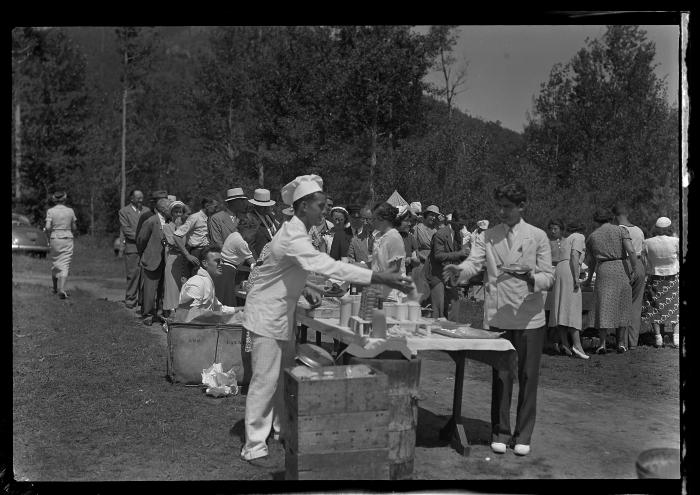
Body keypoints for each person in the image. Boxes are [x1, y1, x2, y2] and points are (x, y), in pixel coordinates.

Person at [240, 174, 414, 465]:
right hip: (267, 316)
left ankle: (283, 430)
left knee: (283, 378)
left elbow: (290, 271)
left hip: (282, 315)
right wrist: (378, 276)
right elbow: (324, 264)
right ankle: (254, 446)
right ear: (304, 206)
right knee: (265, 380)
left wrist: (308, 287)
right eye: (321, 205)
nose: (325, 211)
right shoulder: (292, 236)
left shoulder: (297, 233)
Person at [443, 182, 555, 457]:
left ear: (521, 206)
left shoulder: (538, 236)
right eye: (500, 206)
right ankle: (500, 431)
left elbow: (548, 277)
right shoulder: (488, 235)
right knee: (502, 375)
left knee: (529, 377)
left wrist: (531, 278)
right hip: (499, 315)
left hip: (529, 317)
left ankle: (523, 433)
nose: (502, 212)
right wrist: (460, 271)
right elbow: (474, 262)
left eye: (508, 207)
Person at [583, 207, 639, 354]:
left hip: (604, 270)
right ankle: (620, 343)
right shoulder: (621, 231)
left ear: (596, 220)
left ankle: (602, 344)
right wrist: (634, 269)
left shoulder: (592, 236)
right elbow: (631, 251)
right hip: (621, 267)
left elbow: (591, 262)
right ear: (611, 218)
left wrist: (589, 279)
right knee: (622, 305)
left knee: (604, 305)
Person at [549, 220, 589, 359]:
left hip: (560, 270)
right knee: (572, 307)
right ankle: (577, 345)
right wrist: (577, 278)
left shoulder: (567, 239)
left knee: (562, 306)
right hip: (568, 271)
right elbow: (574, 256)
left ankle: (565, 343)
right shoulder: (579, 237)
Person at [641, 217, 679, 349]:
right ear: (669, 228)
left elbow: (643, 260)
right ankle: (676, 338)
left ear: (656, 228)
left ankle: (658, 338)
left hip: (655, 277)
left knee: (655, 306)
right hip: (672, 278)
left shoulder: (647, 242)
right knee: (675, 307)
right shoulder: (676, 241)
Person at [612, 203, 646, 349]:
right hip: (639, 264)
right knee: (635, 305)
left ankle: (622, 342)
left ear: (615, 216)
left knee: (621, 305)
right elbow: (643, 253)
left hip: (624, 265)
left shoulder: (617, 230)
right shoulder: (639, 230)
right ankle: (633, 342)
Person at [425, 209, 469, 318]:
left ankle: (451, 330)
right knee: (438, 307)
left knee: (454, 304)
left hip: (450, 274)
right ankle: (435, 332)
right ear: (453, 220)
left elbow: (457, 255)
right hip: (437, 274)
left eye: (463, 225)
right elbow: (438, 256)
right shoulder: (440, 234)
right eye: (460, 224)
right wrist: (459, 253)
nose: (462, 227)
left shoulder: (458, 234)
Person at [136, 198, 171, 326]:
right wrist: (145, 254)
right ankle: (148, 314)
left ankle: (161, 313)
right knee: (150, 289)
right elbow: (141, 240)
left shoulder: (171, 222)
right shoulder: (151, 221)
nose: (171, 210)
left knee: (164, 288)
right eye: (169, 208)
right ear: (162, 210)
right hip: (152, 260)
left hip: (166, 261)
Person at [178, 246, 239, 312]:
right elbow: (190, 315)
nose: (221, 264)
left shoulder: (207, 281)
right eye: (217, 261)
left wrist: (243, 309)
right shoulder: (197, 283)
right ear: (205, 263)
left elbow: (219, 308)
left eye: (222, 261)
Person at [118, 189, 151, 309]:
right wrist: (142, 237)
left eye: (142, 197)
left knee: (146, 275)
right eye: (138, 197)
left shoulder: (147, 210)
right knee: (132, 274)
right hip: (132, 248)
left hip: (147, 248)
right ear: (132, 198)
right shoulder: (124, 211)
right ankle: (130, 299)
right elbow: (126, 230)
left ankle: (143, 301)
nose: (141, 199)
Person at [369, 202, 407, 302]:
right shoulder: (378, 236)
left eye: (374, 219)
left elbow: (394, 269)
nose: (371, 222)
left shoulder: (394, 237)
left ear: (383, 219)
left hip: (390, 291)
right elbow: (375, 264)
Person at [45, 191, 78, 299]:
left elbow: (48, 227)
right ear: (64, 199)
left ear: (54, 199)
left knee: (55, 262)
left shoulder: (50, 211)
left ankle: (54, 288)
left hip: (55, 238)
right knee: (65, 263)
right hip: (67, 238)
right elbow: (74, 228)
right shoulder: (70, 211)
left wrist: (49, 236)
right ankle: (62, 289)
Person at [173, 197, 218, 276]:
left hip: (206, 251)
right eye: (215, 207)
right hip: (196, 252)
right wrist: (187, 255)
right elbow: (176, 235)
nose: (216, 209)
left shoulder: (209, 218)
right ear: (207, 206)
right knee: (195, 278)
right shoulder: (195, 217)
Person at [162, 200, 189, 319]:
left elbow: (187, 243)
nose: (178, 214)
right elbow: (173, 242)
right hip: (172, 260)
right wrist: (178, 228)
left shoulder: (187, 226)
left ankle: (182, 315)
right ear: (171, 213)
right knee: (172, 288)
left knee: (183, 288)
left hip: (183, 260)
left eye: (180, 212)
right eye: (176, 212)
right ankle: (171, 315)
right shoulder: (167, 227)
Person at [219, 227, 257, 306]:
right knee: (227, 300)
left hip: (223, 266)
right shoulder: (241, 242)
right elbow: (254, 264)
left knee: (223, 298)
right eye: (253, 233)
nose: (253, 236)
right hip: (228, 270)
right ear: (247, 229)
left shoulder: (234, 234)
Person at [545, 219, 566, 353]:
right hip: (550, 272)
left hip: (563, 271)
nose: (553, 231)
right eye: (551, 229)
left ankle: (562, 338)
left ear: (561, 229)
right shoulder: (546, 242)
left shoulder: (566, 241)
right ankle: (549, 339)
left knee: (561, 305)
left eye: (556, 229)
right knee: (549, 305)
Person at [249, 189, 280, 259]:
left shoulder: (270, 216)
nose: (266, 208)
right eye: (263, 206)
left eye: (267, 205)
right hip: (262, 260)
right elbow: (248, 245)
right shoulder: (250, 219)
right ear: (255, 205)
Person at [397, 208, 420, 275]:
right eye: (406, 221)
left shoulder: (410, 237)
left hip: (407, 276)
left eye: (410, 221)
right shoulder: (388, 237)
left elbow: (417, 261)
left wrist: (412, 259)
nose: (410, 223)